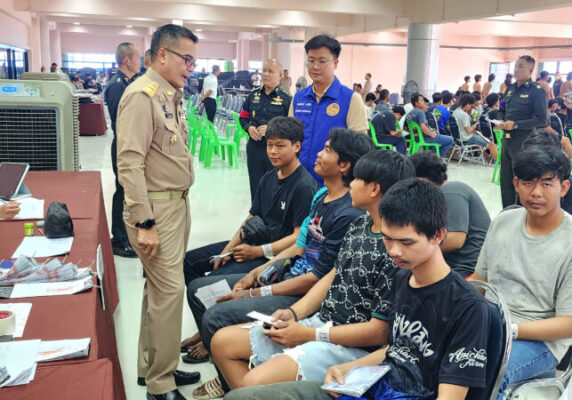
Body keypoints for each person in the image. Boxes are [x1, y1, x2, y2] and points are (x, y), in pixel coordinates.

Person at [225, 179, 491, 400]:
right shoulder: (402, 278)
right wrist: (347, 368)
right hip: (375, 384)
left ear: (438, 235)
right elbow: (396, 350)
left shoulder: (468, 307)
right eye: (387, 238)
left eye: (406, 242)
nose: (394, 251)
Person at [186, 129, 371, 399]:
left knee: (217, 315)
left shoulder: (348, 214)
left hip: (302, 292)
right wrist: (256, 272)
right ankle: (223, 362)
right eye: (269, 145)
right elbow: (298, 246)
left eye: (327, 150)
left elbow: (318, 277)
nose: (318, 154)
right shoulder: (319, 195)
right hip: (286, 275)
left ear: (344, 165)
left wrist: (255, 292)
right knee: (198, 289)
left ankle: (228, 381)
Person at [212, 150, 415, 390]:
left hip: (351, 346)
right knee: (222, 343)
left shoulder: (395, 250)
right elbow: (332, 275)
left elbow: (378, 332)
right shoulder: (360, 225)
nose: (351, 184)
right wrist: (294, 313)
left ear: (374, 189)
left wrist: (308, 335)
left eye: (357, 179)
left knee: (255, 381)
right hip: (321, 323)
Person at [116, 24, 200, 400]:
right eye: (187, 60)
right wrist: (144, 222)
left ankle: (151, 365)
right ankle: (160, 385)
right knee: (170, 291)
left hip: (175, 205)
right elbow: (129, 163)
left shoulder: (170, 95)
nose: (191, 68)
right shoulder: (142, 96)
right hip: (155, 210)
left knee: (158, 290)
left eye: (194, 62)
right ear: (162, 55)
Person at [471, 144, 572, 398]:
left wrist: (509, 330)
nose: (536, 192)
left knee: (482, 369)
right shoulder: (503, 221)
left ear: (564, 188)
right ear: (516, 184)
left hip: (539, 341)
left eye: (547, 184)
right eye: (528, 183)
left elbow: (568, 323)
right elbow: (480, 282)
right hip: (489, 322)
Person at [183, 116, 317, 285]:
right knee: (188, 262)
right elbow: (251, 217)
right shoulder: (268, 177)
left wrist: (258, 251)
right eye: (269, 145)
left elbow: (298, 238)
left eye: (280, 146)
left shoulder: (304, 187)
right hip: (254, 242)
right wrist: (226, 251)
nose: (273, 151)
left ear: (296, 146)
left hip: (274, 257)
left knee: (208, 284)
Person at [290, 34, 368, 183]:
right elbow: (290, 138)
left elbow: (359, 148)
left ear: (335, 63)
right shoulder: (299, 98)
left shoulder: (351, 99)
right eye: (311, 60)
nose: (315, 66)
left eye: (322, 61)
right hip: (298, 181)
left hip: (334, 184)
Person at [410, 152, 490, 278]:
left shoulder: (451, 190)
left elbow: (455, 240)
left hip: (466, 269)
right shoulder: (434, 198)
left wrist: (414, 250)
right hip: (453, 266)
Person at [104, 42, 141, 258]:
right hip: (124, 146)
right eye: (137, 58)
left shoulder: (130, 82)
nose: (140, 62)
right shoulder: (118, 86)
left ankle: (126, 234)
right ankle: (119, 239)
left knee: (129, 191)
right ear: (127, 60)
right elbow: (122, 124)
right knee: (123, 191)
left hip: (132, 146)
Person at [496, 55, 548, 208]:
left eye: (521, 66)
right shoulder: (510, 89)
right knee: (506, 181)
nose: (516, 70)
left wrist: (516, 125)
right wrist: (500, 121)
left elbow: (542, 120)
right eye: (516, 66)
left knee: (522, 181)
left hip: (524, 141)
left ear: (531, 70)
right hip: (507, 140)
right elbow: (501, 109)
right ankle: (507, 212)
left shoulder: (536, 91)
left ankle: (520, 213)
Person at [240, 59, 292, 200]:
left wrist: (272, 128)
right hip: (255, 149)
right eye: (264, 70)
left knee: (275, 188)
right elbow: (243, 117)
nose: (266, 74)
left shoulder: (287, 99)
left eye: (270, 71)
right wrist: (249, 127)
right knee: (255, 187)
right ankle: (256, 213)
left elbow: (292, 126)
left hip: (277, 152)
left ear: (280, 75)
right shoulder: (253, 95)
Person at [453, 94, 498, 159]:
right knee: (491, 143)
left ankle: (488, 158)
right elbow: (468, 131)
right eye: (471, 105)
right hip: (467, 138)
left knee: (480, 137)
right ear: (467, 104)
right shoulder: (464, 115)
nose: (470, 107)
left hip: (458, 138)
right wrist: (475, 125)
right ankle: (499, 162)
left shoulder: (455, 112)